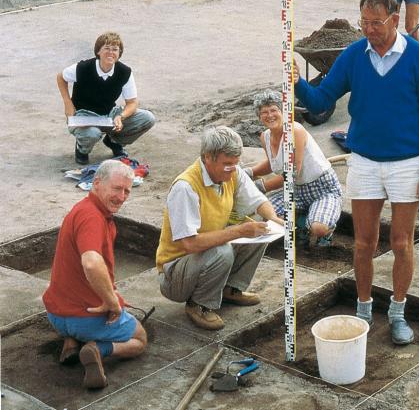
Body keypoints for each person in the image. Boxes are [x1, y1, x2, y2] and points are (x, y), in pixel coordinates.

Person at [295, 0, 419, 345]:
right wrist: (296, 82)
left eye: (376, 23)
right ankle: (363, 309)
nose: (368, 30)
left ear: (394, 20)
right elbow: (321, 99)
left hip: (407, 163)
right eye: (363, 22)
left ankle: (397, 311)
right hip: (363, 161)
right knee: (363, 243)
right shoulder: (353, 56)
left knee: (401, 242)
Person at [156, 126, 283, 331]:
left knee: (261, 224)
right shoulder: (185, 187)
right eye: (227, 164)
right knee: (221, 250)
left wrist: (274, 219)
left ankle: (231, 288)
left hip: (200, 257)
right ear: (208, 158)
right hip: (175, 273)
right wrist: (238, 231)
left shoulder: (232, 172)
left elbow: (257, 201)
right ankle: (199, 304)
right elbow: (190, 244)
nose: (233, 168)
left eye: (235, 163)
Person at [42, 160, 148, 389]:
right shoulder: (92, 217)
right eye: (117, 188)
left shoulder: (81, 209)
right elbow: (91, 263)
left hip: (56, 315)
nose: (121, 197)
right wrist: (112, 302)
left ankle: (71, 343)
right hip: (84, 319)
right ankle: (97, 349)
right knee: (140, 339)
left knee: (82, 301)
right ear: (97, 183)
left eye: (127, 191)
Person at [245, 89, 343, 248]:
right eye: (264, 112)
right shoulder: (265, 137)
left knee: (318, 228)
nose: (269, 115)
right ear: (259, 116)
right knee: (264, 215)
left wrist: (261, 186)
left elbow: (292, 173)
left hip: (322, 188)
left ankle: (323, 231)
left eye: (274, 110)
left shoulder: (294, 131)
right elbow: (273, 162)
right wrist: (250, 172)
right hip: (294, 190)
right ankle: (302, 219)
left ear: (283, 111)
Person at [57, 31, 156, 165]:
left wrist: (121, 116)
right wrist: (67, 102)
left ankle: (114, 141)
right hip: (83, 114)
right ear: (98, 51)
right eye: (106, 48)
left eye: (115, 49)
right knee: (92, 134)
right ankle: (82, 149)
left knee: (147, 118)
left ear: (119, 53)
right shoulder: (83, 68)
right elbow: (61, 77)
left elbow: (132, 102)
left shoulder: (124, 72)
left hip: (108, 114)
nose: (111, 53)